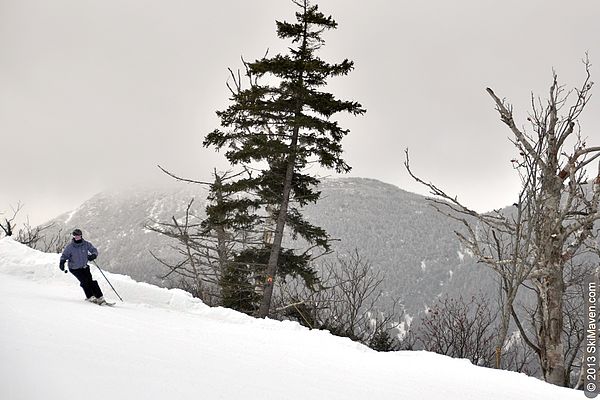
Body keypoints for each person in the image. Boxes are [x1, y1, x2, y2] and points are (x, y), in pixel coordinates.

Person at [59, 228, 107, 305]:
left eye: (78, 235)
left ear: (81, 235)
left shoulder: (86, 244)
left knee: (91, 281)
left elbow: (94, 249)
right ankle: (90, 296)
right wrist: (62, 262)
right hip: (74, 268)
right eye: (75, 235)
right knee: (84, 281)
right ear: (73, 236)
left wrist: (94, 255)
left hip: (84, 266)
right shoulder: (70, 247)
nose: (77, 237)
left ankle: (100, 297)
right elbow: (64, 255)